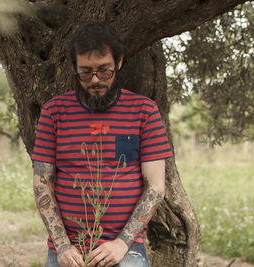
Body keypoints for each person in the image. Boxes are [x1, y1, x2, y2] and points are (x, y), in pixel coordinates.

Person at [31, 21, 173, 267]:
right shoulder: (54, 112)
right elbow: (42, 184)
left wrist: (121, 244)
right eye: (85, 72)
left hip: (125, 249)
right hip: (68, 251)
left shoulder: (144, 112)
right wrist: (63, 246)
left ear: (118, 62)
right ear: (74, 68)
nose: (95, 79)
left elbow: (156, 187)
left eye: (104, 70)